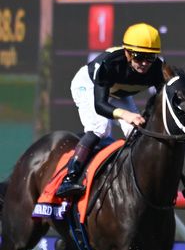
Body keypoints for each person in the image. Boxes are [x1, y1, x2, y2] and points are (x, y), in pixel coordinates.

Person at [56, 23, 164, 198]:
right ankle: (70, 178)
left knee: (136, 133)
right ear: (127, 52)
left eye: (150, 57)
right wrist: (125, 114)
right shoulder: (110, 63)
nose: (145, 63)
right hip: (89, 85)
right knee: (100, 127)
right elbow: (100, 105)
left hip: (117, 91)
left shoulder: (158, 68)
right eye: (139, 56)